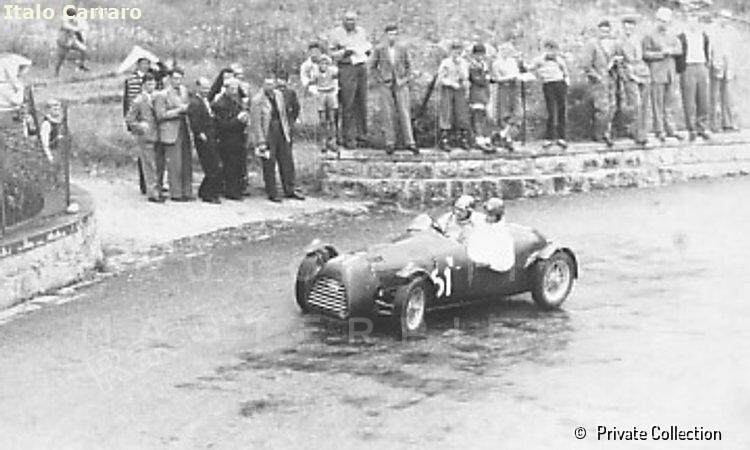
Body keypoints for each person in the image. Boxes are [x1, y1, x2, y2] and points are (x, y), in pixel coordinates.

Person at [250, 76, 304, 203]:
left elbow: (285, 113)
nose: (270, 87)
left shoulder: (279, 95)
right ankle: (272, 192)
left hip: (281, 129)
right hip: (268, 130)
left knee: (286, 160)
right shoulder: (257, 100)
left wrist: (288, 128)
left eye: (272, 84)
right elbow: (256, 123)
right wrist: (261, 140)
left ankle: (289, 189)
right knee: (269, 162)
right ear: (263, 85)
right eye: (267, 84)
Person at [370, 24, 418, 155]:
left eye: (394, 34)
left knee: (404, 112)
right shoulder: (379, 49)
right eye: (390, 34)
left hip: (400, 83)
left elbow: (410, 66)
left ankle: (410, 142)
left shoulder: (402, 48)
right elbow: (372, 67)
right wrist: (380, 79)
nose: (392, 37)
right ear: (385, 35)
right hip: (385, 84)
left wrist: (405, 79)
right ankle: (390, 142)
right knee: (387, 113)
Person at [328, 11, 372, 149]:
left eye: (352, 20)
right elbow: (330, 54)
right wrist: (344, 52)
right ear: (343, 21)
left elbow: (367, 47)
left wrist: (367, 51)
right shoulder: (336, 34)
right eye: (347, 20)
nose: (350, 22)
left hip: (361, 66)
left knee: (361, 102)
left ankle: (362, 136)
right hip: (346, 67)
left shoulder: (361, 32)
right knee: (348, 102)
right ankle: (348, 137)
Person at [642, 7, 684, 142]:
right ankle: (659, 130)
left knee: (669, 103)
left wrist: (671, 51)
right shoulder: (649, 35)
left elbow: (679, 49)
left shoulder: (672, 34)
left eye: (666, 21)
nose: (664, 23)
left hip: (670, 73)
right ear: (657, 20)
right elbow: (645, 54)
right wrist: (660, 54)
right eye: (662, 21)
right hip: (657, 72)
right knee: (657, 103)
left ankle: (671, 129)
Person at [154, 67, 194, 202]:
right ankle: (176, 193)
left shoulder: (184, 91)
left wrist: (187, 109)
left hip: (183, 128)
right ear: (170, 79)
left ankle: (187, 191)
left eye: (180, 78)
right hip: (170, 129)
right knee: (174, 163)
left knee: (186, 161)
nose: (178, 81)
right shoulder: (162, 94)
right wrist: (178, 111)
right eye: (175, 78)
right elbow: (160, 115)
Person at [125, 73, 163, 203]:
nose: (151, 86)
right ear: (143, 85)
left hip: (158, 135)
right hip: (146, 136)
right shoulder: (139, 100)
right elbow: (129, 118)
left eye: (153, 84)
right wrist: (139, 126)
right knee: (149, 165)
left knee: (158, 164)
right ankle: (152, 193)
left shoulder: (158, 97)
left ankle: (158, 189)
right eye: (148, 84)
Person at [583, 19, 619, 147]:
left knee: (612, 107)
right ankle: (599, 135)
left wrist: (615, 63)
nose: (605, 34)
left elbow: (614, 62)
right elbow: (587, 65)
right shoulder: (592, 44)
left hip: (611, 79)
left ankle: (607, 132)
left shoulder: (613, 44)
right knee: (602, 108)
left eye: (607, 31)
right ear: (598, 31)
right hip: (599, 81)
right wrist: (597, 76)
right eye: (602, 31)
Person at [676, 13, 712, 141]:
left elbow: (706, 50)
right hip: (688, 67)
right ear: (687, 21)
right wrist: (681, 69)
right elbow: (678, 54)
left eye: (696, 20)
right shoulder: (682, 36)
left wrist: (706, 64)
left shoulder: (703, 35)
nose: (693, 23)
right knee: (689, 100)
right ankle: (691, 129)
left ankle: (702, 127)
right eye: (691, 20)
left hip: (701, 66)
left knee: (703, 99)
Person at [528, 39, 570, 149]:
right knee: (551, 111)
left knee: (561, 110)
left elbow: (565, 72)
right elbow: (530, 68)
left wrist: (566, 83)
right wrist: (537, 75)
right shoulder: (539, 60)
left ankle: (561, 137)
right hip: (548, 84)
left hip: (559, 83)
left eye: (554, 49)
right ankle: (549, 138)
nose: (552, 52)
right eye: (549, 49)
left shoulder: (559, 60)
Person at [212, 78, 249, 200]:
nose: (234, 92)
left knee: (237, 165)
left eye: (236, 89)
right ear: (226, 88)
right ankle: (231, 191)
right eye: (232, 89)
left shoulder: (235, 101)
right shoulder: (221, 104)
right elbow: (223, 125)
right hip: (227, 139)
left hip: (237, 137)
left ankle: (236, 189)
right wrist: (238, 120)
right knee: (230, 165)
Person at [187, 77, 222, 204]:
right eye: (203, 88)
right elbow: (194, 121)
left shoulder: (205, 101)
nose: (206, 91)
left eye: (207, 88)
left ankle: (204, 191)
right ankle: (209, 194)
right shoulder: (195, 103)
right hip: (204, 137)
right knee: (212, 165)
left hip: (211, 135)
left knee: (214, 164)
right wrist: (200, 133)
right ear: (198, 88)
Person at [123, 57, 155, 195]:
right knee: (143, 155)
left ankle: (151, 184)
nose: (145, 66)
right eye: (143, 63)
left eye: (148, 63)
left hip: (151, 123)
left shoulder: (154, 77)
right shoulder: (131, 80)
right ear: (138, 65)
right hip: (138, 120)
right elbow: (126, 101)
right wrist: (130, 125)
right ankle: (145, 185)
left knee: (152, 157)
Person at [619, 15, 652, 146]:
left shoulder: (640, 40)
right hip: (629, 73)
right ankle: (636, 132)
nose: (628, 30)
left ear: (634, 28)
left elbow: (645, 55)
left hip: (642, 72)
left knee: (644, 104)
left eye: (631, 27)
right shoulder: (619, 42)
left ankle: (642, 131)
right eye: (626, 28)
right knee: (635, 104)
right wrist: (625, 74)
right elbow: (619, 60)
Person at [437, 41, 471, 151]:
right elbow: (440, 79)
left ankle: (462, 139)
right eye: (454, 50)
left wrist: (460, 67)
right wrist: (450, 83)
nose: (456, 52)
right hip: (448, 89)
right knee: (446, 112)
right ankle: (444, 140)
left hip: (459, 89)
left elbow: (465, 76)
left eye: (458, 50)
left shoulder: (464, 63)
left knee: (461, 113)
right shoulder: (445, 62)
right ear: (451, 51)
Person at [467, 197, 515, 273]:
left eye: (490, 215)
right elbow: (472, 216)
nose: (487, 217)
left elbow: (506, 262)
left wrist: (488, 263)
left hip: (492, 270)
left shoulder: (502, 233)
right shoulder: (482, 220)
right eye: (486, 213)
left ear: (497, 217)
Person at [490, 43, 523, 151]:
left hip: (514, 88)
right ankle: (507, 139)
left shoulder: (513, 62)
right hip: (504, 88)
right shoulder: (496, 63)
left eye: (510, 51)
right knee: (505, 113)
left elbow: (517, 73)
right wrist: (509, 77)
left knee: (518, 113)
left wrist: (518, 76)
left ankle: (504, 134)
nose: (508, 53)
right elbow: (496, 78)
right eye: (505, 51)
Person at [709, 13, 738, 133]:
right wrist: (712, 62)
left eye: (727, 18)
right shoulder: (712, 30)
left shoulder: (732, 32)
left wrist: (734, 67)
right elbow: (709, 49)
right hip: (717, 64)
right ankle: (713, 124)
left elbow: (734, 50)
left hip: (729, 65)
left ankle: (728, 123)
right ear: (719, 18)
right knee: (714, 95)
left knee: (728, 96)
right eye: (723, 18)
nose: (725, 20)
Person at [308, 54, 340, 153]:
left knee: (332, 119)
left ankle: (333, 140)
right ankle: (323, 141)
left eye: (326, 63)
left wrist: (334, 92)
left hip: (330, 93)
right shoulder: (315, 73)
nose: (323, 66)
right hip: (321, 94)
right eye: (321, 63)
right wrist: (316, 92)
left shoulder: (332, 71)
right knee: (322, 120)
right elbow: (312, 85)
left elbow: (336, 82)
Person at [468, 43, 493, 152]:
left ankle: (487, 138)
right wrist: (485, 77)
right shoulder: (472, 66)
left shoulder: (484, 65)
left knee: (486, 117)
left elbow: (489, 79)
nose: (480, 56)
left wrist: (487, 77)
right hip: (476, 93)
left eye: (482, 54)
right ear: (474, 55)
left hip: (485, 94)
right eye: (478, 54)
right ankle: (479, 139)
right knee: (477, 115)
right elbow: (477, 80)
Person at [54, 9, 89, 76]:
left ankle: (81, 66)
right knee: (60, 59)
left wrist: (81, 38)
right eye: (71, 16)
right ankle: (56, 73)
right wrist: (78, 28)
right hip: (63, 42)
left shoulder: (75, 20)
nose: (72, 17)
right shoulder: (64, 21)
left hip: (72, 40)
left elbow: (78, 32)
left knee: (83, 50)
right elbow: (68, 27)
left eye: (73, 16)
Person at [39, 99, 64, 163]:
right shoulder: (46, 124)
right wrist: (50, 158)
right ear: (48, 110)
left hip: (61, 154)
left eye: (58, 109)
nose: (57, 110)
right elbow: (45, 144)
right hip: (53, 154)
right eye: (55, 109)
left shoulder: (60, 123)